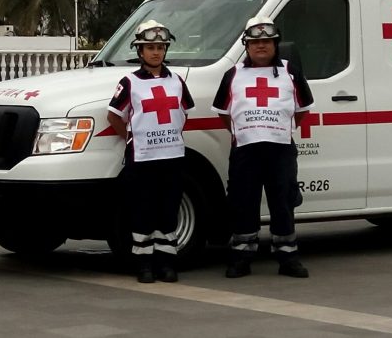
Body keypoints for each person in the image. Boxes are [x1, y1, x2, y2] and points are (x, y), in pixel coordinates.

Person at [212, 15, 314, 279]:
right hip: (246, 150)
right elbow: (223, 112)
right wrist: (245, 131)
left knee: (283, 201)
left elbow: (302, 109)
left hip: (280, 150)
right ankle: (241, 257)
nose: (261, 46)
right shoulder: (233, 75)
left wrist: (280, 129)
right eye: (255, 42)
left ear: (275, 44)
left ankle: (288, 257)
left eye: (267, 41)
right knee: (243, 202)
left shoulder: (290, 72)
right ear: (246, 45)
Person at [107, 20, 194, 283]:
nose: (156, 52)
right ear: (140, 51)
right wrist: (133, 138)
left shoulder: (176, 81)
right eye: (150, 48)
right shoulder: (129, 82)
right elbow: (114, 116)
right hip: (142, 159)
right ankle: (144, 264)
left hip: (173, 157)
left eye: (160, 47)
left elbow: (184, 113)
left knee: (169, 211)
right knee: (142, 211)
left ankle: (166, 263)